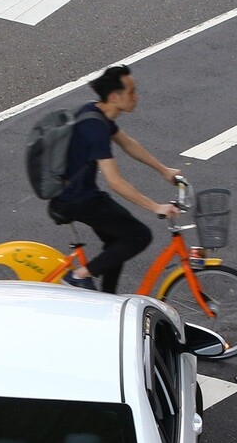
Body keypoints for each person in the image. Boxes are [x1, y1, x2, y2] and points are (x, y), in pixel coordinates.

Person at [47, 65, 182, 294]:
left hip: (80, 194)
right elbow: (115, 182)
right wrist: (155, 206)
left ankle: (108, 298)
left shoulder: (98, 113)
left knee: (118, 242)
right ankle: (77, 277)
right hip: (75, 200)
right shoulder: (94, 128)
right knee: (139, 236)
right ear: (114, 96)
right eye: (131, 92)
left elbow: (129, 144)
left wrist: (163, 169)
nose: (136, 97)